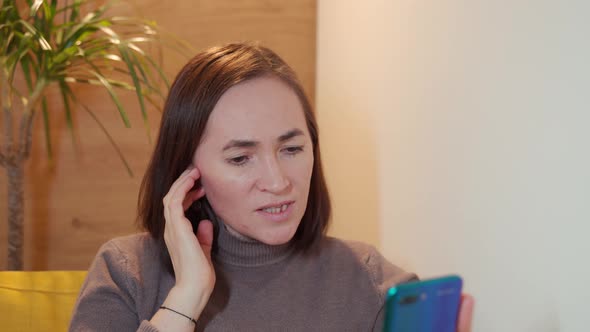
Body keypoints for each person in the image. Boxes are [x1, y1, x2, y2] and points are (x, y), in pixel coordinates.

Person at [69, 42, 474, 332]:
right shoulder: (127, 272)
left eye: (292, 148)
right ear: (188, 170)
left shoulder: (369, 280)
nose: (279, 182)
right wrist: (187, 297)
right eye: (241, 158)